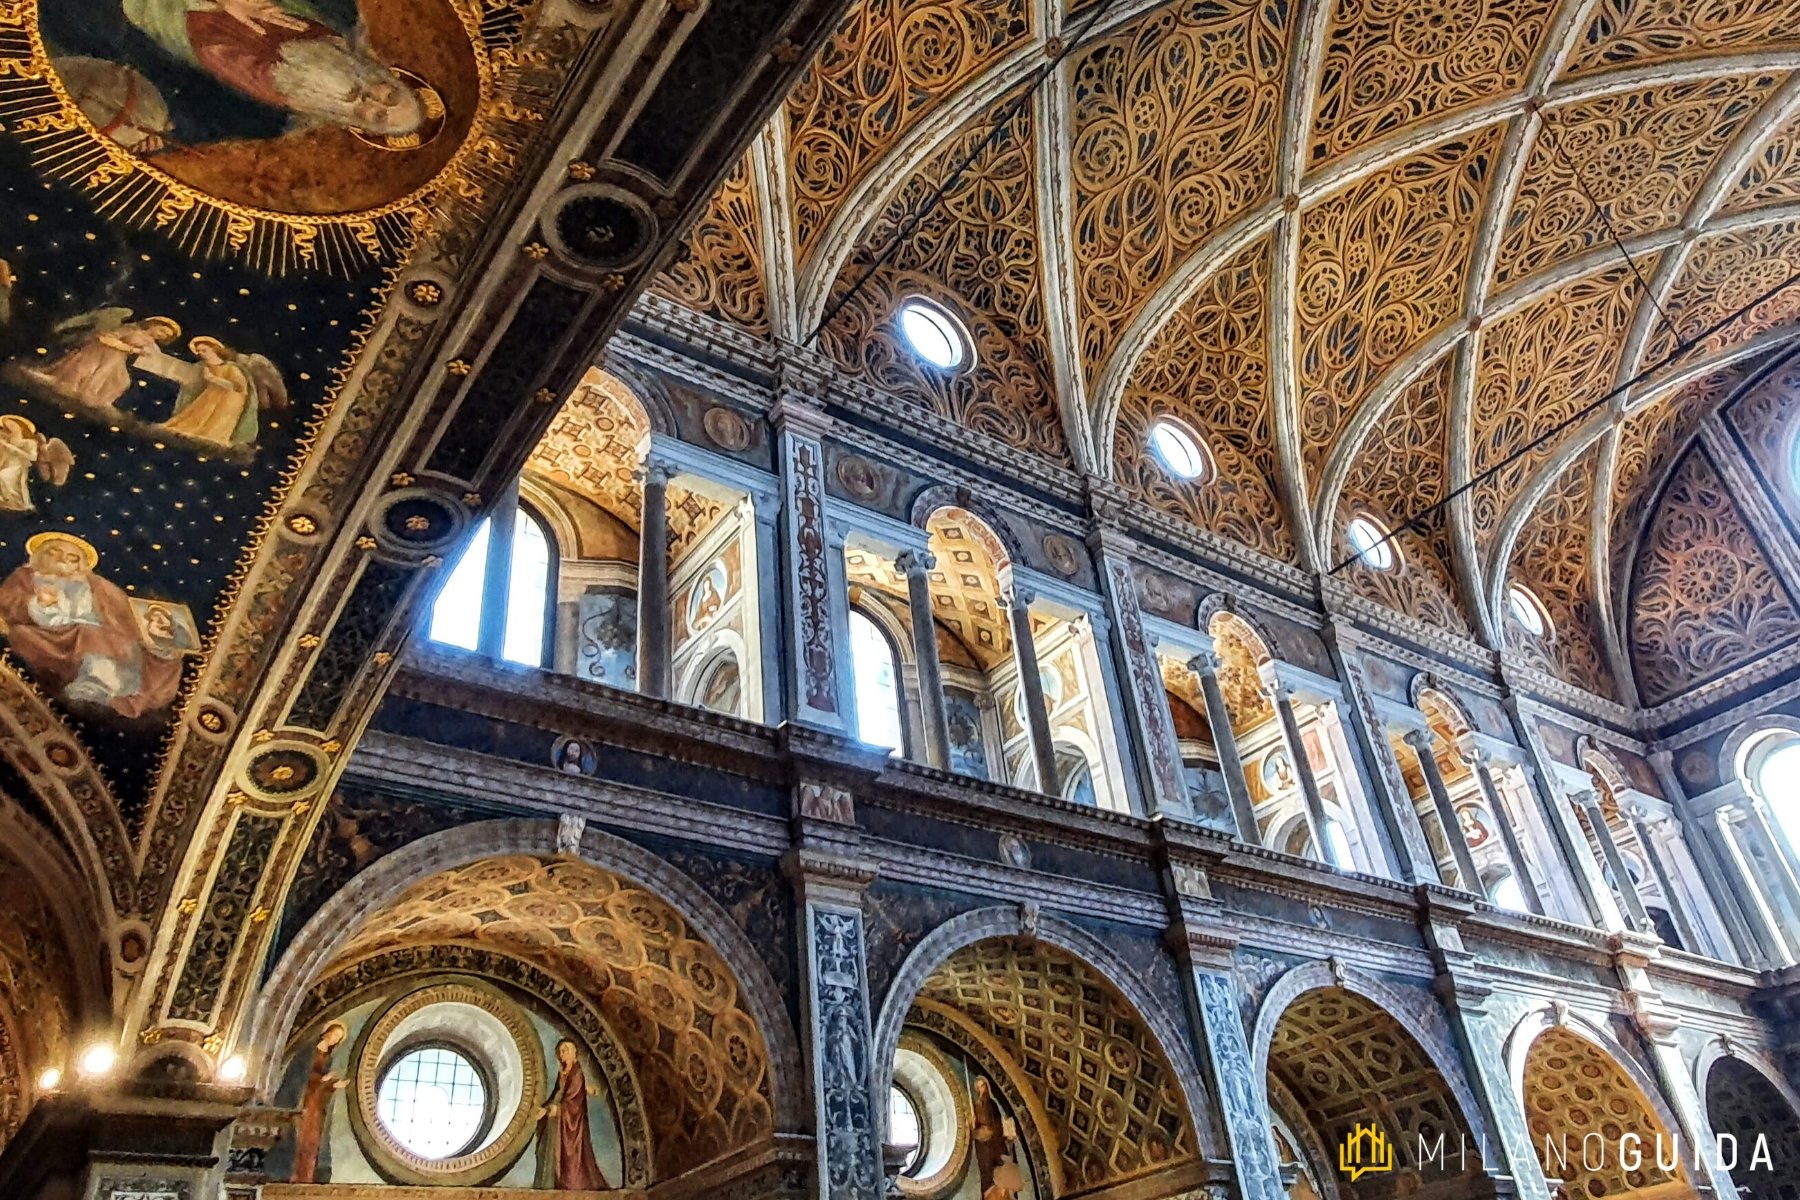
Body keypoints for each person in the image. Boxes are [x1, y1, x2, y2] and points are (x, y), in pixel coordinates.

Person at [122, 0, 429, 139]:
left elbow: (205, 35)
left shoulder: (273, 82)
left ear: (358, 125)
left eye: (378, 115)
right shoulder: (341, 37)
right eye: (389, 96)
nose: (372, 101)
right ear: (389, 79)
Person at [0, 533, 182, 716]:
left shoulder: (97, 584)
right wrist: (38, 603)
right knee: (21, 635)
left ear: (81, 563)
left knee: (93, 634)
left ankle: (98, 682)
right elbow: (7, 602)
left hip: (99, 635)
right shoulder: (26, 576)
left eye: (72, 558)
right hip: (49, 634)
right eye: (54, 553)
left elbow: (125, 615)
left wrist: (145, 633)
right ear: (41, 555)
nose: (63, 560)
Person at [27, 311, 180, 411]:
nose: (161, 336)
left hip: (117, 356)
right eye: (161, 331)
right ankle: (79, 389)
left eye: (165, 336)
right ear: (153, 324)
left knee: (122, 381)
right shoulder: (131, 329)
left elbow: (156, 356)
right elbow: (107, 337)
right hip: (102, 350)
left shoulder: (149, 342)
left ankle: (96, 398)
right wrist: (132, 349)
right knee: (90, 369)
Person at [536, 1039, 608, 1190]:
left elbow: (572, 1101)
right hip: (558, 1121)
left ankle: (571, 1184)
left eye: (566, 1050)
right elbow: (556, 1095)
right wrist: (545, 1109)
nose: (562, 1054)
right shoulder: (563, 1074)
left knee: (571, 1158)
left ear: (574, 1053)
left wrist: (554, 1110)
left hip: (572, 1123)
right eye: (560, 1051)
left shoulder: (577, 1074)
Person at [291, 1021, 348, 1184]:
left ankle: (306, 1177)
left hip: (315, 1101)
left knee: (312, 1140)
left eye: (339, 1038)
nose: (335, 1040)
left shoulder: (327, 1058)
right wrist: (323, 1079)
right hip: (304, 1099)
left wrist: (333, 1085)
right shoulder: (309, 1052)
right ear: (327, 1032)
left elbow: (322, 1084)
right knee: (301, 1137)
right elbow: (301, 1075)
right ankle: (296, 1175)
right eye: (335, 1035)